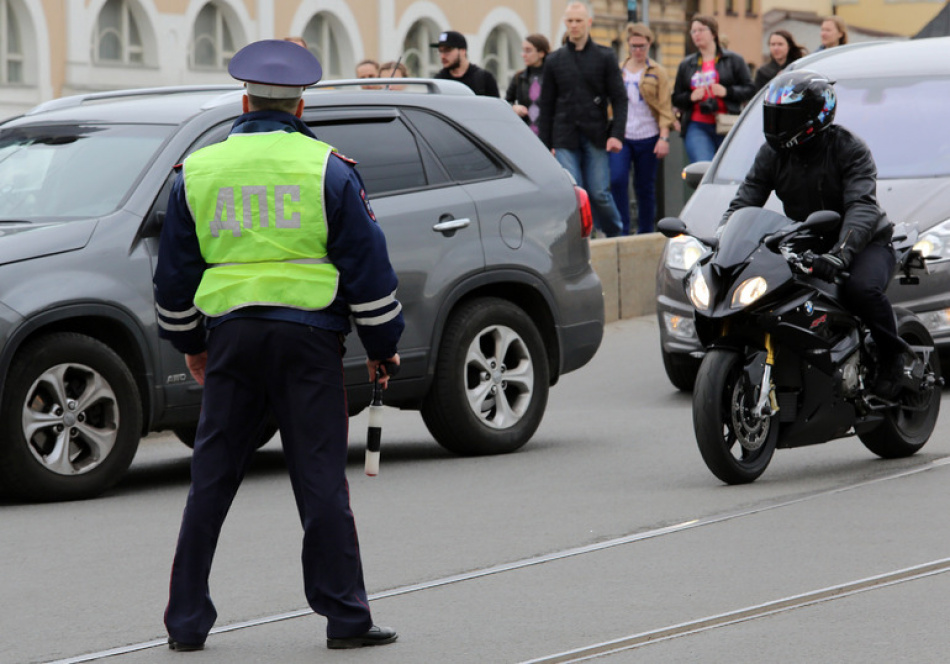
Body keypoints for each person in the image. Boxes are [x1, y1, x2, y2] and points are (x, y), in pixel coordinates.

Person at [153, 39, 402, 651]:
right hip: (310, 340)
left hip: (230, 339)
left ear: (244, 102)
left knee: (210, 481)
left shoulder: (197, 171)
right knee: (321, 481)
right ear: (300, 107)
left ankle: (185, 623)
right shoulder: (328, 169)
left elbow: (173, 278)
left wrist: (191, 342)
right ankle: (346, 618)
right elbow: (368, 269)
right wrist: (382, 345)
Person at [722, 69, 910, 398]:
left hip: (864, 241)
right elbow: (746, 199)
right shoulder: (772, 153)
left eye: (785, 117)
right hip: (808, 237)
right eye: (773, 116)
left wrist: (841, 253)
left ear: (813, 117)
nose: (776, 125)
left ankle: (895, 359)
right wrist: (724, 239)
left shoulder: (848, 148)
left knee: (861, 289)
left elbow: (862, 206)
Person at [539, 1, 627, 238]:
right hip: (564, 135)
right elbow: (546, 105)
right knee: (573, 192)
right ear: (565, 23)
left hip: (596, 134)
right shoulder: (554, 60)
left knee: (599, 193)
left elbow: (619, 98)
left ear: (588, 22)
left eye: (578, 20)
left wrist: (617, 135)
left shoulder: (605, 56)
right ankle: (582, 239)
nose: (574, 25)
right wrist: (546, 145)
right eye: (570, 21)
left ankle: (615, 233)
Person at [608, 22, 674, 235]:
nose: (638, 50)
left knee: (644, 186)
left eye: (642, 46)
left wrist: (664, 137)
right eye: (634, 46)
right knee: (617, 180)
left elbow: (665, 107)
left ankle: (645, 231)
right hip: (622, 135)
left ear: (649, 45)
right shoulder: (618, 70)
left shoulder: (657, 72)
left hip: (648, 136)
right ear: (627, 45)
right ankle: (622, 229)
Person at [672, 14, 754, 164]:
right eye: (693, 31)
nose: (696, 34)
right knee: (704, 165)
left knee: (729, 168)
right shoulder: (686, 64)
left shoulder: (734, 60)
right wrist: (691, 97)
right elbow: (676, 98)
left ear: (714, 33)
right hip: (697, 124)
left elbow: (750, 90)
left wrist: (727, 92)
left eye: (701, 30)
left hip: (728, 123)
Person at [505, 33, 551, 136]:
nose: (523, 55)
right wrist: (514, 107)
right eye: (523, 50)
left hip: (548, 135)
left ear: (541, 53)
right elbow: (505, 102)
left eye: (528, 50)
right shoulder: (519, 77)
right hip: (525, 134)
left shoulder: (552, 76)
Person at [431, 30, 499, 96]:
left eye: (447, 50)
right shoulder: (439, 81)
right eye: (440, 51)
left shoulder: (484, 79)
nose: (442, 56)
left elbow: (495, 103)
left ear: (463, 51)